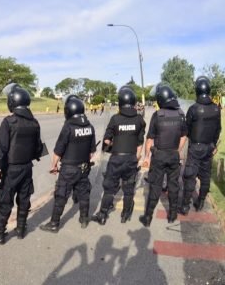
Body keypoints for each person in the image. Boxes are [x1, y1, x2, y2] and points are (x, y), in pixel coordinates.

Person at [0, 84, 42, 244]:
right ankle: (21, 229)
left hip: (11, 170)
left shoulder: (9, 122)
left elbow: (0, 151)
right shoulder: (35, 123)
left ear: (12, 102)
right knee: (24, 199)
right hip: (27, 168)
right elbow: (39, 149)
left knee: (5, 202)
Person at [41, 96, 97, 233]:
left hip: (69, 169)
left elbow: (58, 150)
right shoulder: (90, 127)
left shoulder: (68, 126)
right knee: (84, 194)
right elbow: (91, 153)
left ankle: (54, 224)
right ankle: (84, 219)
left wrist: (53, 166)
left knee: (61, 195)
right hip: (84, 167)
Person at [91, 87, 146, 225]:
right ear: (133, 102)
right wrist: (137, 158)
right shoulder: (139, 120)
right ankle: (125, 214)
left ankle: (102, 215)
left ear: (120, 102)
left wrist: (111, 146)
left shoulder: (115, 119)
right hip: (131, 158)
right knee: (128, 189)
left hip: (116, 158)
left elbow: (106, 141)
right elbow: (140, 142)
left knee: (109, 188)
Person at [139, 84, 187, 226]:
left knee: (155, 186)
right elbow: (184, 136)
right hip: (173, 155)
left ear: (161, 100)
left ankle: (148, 217)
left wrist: (147, 157)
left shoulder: (157, 115)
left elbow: (150, 139)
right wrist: (177, 150)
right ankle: (172, 215)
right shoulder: (180, 114)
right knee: (173, 186)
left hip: (159, 156)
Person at [180, 77, 221, 214]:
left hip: (196, 147)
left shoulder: (193, 109)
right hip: (209, 147)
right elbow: (218, 129)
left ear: (197, 90)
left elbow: (187, 129)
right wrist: (213, 145)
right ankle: (201, 201)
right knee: (205, 176)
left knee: (190, 176)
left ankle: (185, 205)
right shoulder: (216, 108)